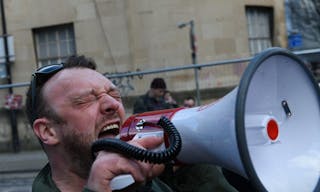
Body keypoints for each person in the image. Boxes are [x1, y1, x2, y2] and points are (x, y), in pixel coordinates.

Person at [25, 55, 173, 192]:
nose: (113, 104)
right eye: (85, 100)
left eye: (114, 95)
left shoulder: (151, 179)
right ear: (48, 131)